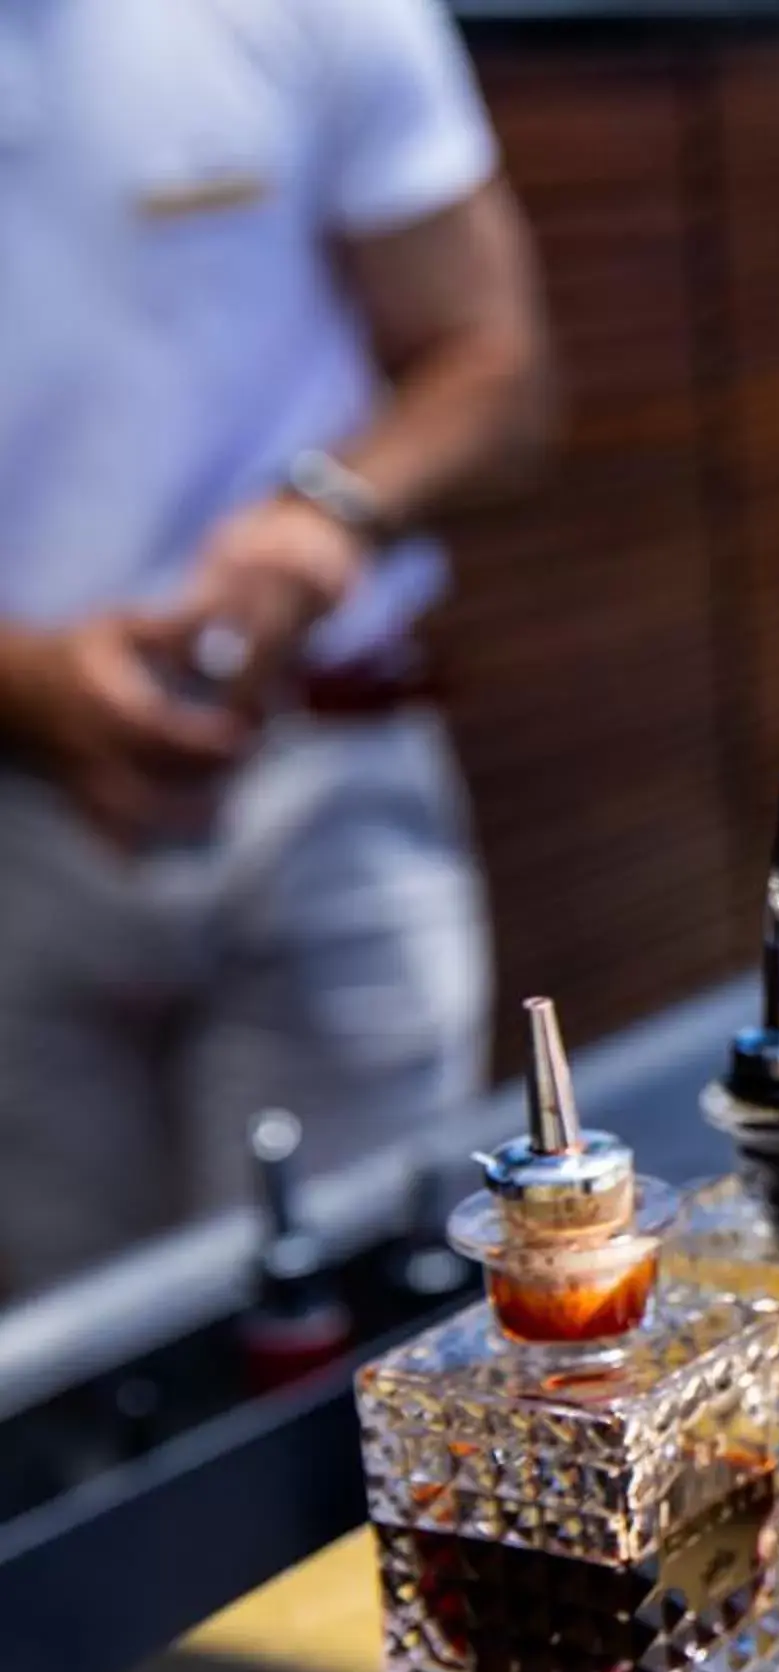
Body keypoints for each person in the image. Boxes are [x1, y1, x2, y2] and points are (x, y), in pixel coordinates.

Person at [0, 0, 552, 1298]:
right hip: (16, 828)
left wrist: (327, 515)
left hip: (327, 777)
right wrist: (25, 686)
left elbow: (499, 363)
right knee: (71, 1404)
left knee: (375, 1334)